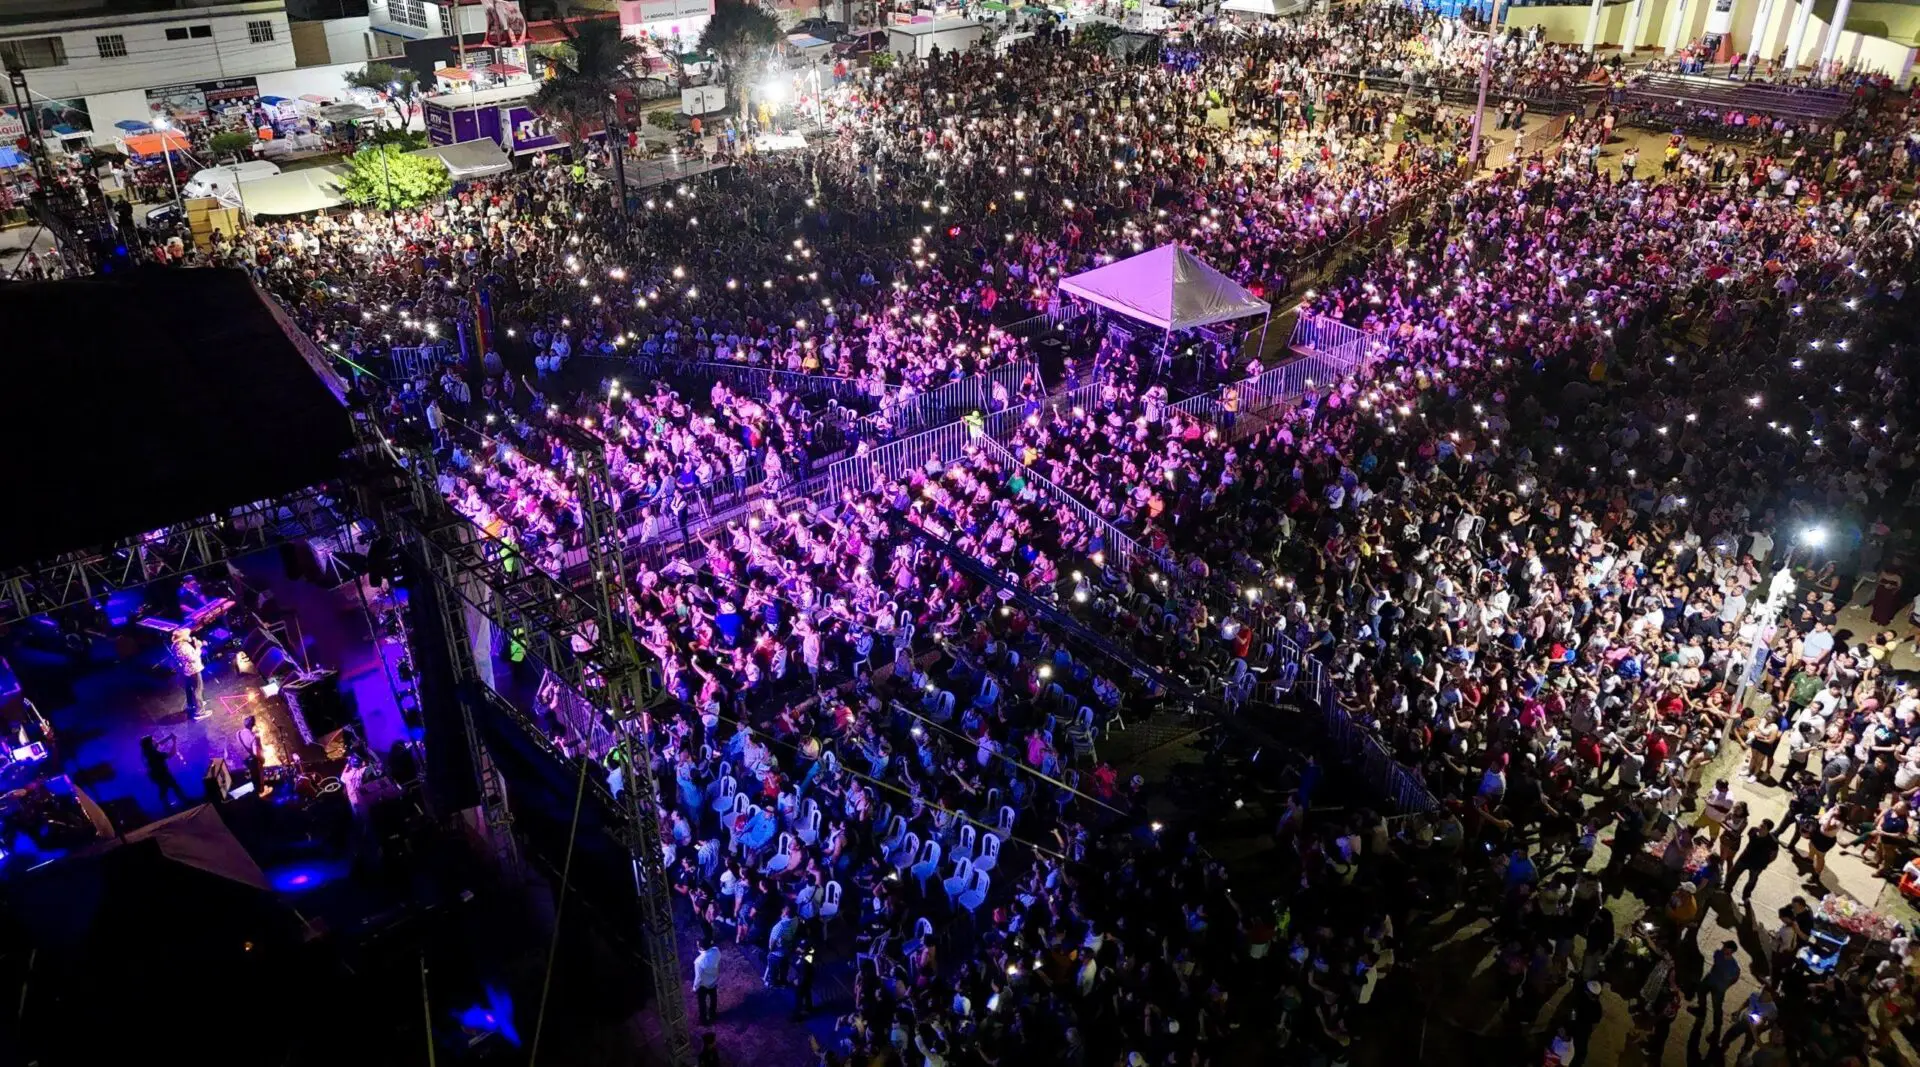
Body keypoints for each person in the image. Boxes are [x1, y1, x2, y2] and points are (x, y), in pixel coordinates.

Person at [1728, 818, 1781, 900]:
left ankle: (1745, 896)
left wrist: (1765, 863)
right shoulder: (1753, 831)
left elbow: (1774, 855)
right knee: (1733, 874)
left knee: (1751, 881)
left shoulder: (1772, 842)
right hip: (1745, 858)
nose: (1759, 827)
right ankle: (1727, 889)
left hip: (1757, 865)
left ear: (1768, 830)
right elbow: (1750, 836)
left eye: (1763, 827)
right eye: (1760, 825)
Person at [1694, 941, 1741, 1032]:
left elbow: (1736, 976)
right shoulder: (1718, 953)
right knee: (1700, 992)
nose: (1723, 947)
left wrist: (1727, 985)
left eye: (1726, 946)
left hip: (1718, 987)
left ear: (1731, 950)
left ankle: (1717, 1027)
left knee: (1717, 1008)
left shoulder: (1733, 965)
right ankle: (1701, 1011)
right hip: (1711, 981)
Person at [140, 733, 191, 810]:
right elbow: (171, 754)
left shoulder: (147, 752)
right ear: (149, 744)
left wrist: (169, 737)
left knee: (164, 789)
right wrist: (174, 741)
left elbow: (158, 743)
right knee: (174, 786)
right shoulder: (154, 753)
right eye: (152, 740)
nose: (155, 740)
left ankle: (167, 807)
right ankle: (184, 801)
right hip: (162, 773)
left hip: (155, 775)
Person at [172, 629, 208, 720]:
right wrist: (198, 647)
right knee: (198, 689)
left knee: (191, 689)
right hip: (193, 670)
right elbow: (193, 658)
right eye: (187, 635)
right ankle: (200, 712)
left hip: (187, 671)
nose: (189, 636)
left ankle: (194, 704)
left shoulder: (176, 646)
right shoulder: (183, 647)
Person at [233, 715, 266, 794]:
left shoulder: (238, 733)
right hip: (252, 762)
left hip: (243, 760)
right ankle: (260, 793)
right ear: (253, 725)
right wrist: (262, 760)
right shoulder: (254, 738)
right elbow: (255, 753)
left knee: (250, 777)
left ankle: (253, 790)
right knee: (257, 781)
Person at [692, 936, 721, 1024]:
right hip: (713, 981)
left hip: (703, 985)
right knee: (713, 999)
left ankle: (703, 1019)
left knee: (702, 1003)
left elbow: (698, 978)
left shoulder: (699, 961)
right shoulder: (716, 951)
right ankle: (713, 1014)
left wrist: (694, 988)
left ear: (701, 948)